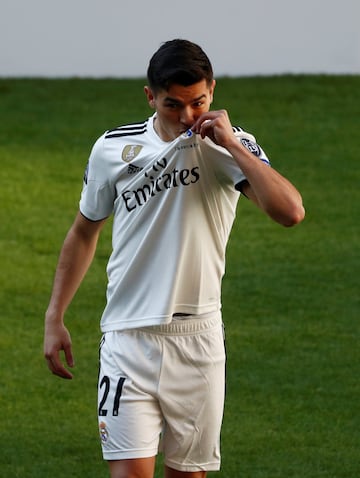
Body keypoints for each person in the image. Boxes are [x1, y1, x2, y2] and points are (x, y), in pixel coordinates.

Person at [44, 39, 305, 478]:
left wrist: (234, 146)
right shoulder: (113, 148)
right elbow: (83, 232)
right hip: (128, 337)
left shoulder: (229, 149)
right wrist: (55, 315)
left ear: (212, 92)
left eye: (197, 103)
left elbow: (291, 212)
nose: (187, 117)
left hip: (198, 340)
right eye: (173, 105)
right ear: (150, 97)